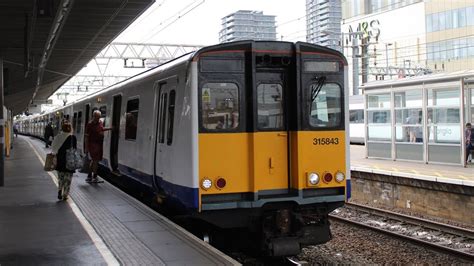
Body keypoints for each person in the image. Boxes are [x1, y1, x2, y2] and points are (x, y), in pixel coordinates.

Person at [51, 121, 77, 200]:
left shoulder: (58, 136)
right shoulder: (73, 137)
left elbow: (53, 148)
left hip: (60, 160)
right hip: (69, 160)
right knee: (68, 179)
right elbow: (74, 149)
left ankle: (59, 190)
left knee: (60, 178)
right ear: (70, 129)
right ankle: (65, 195)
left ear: (62, 128)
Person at [85, 110, 112, 182]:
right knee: (95, 161)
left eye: (99, 117)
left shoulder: (100, 122)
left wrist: (110, 128)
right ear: (93, 116)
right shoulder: (89, 124)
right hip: (92, 144)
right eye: (97, 117)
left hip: (99, 144)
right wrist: (87, 147)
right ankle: (94, 176)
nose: (98, 118)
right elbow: (87, 137)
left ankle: (90, 175)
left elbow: (101, 129)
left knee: (94, 161)